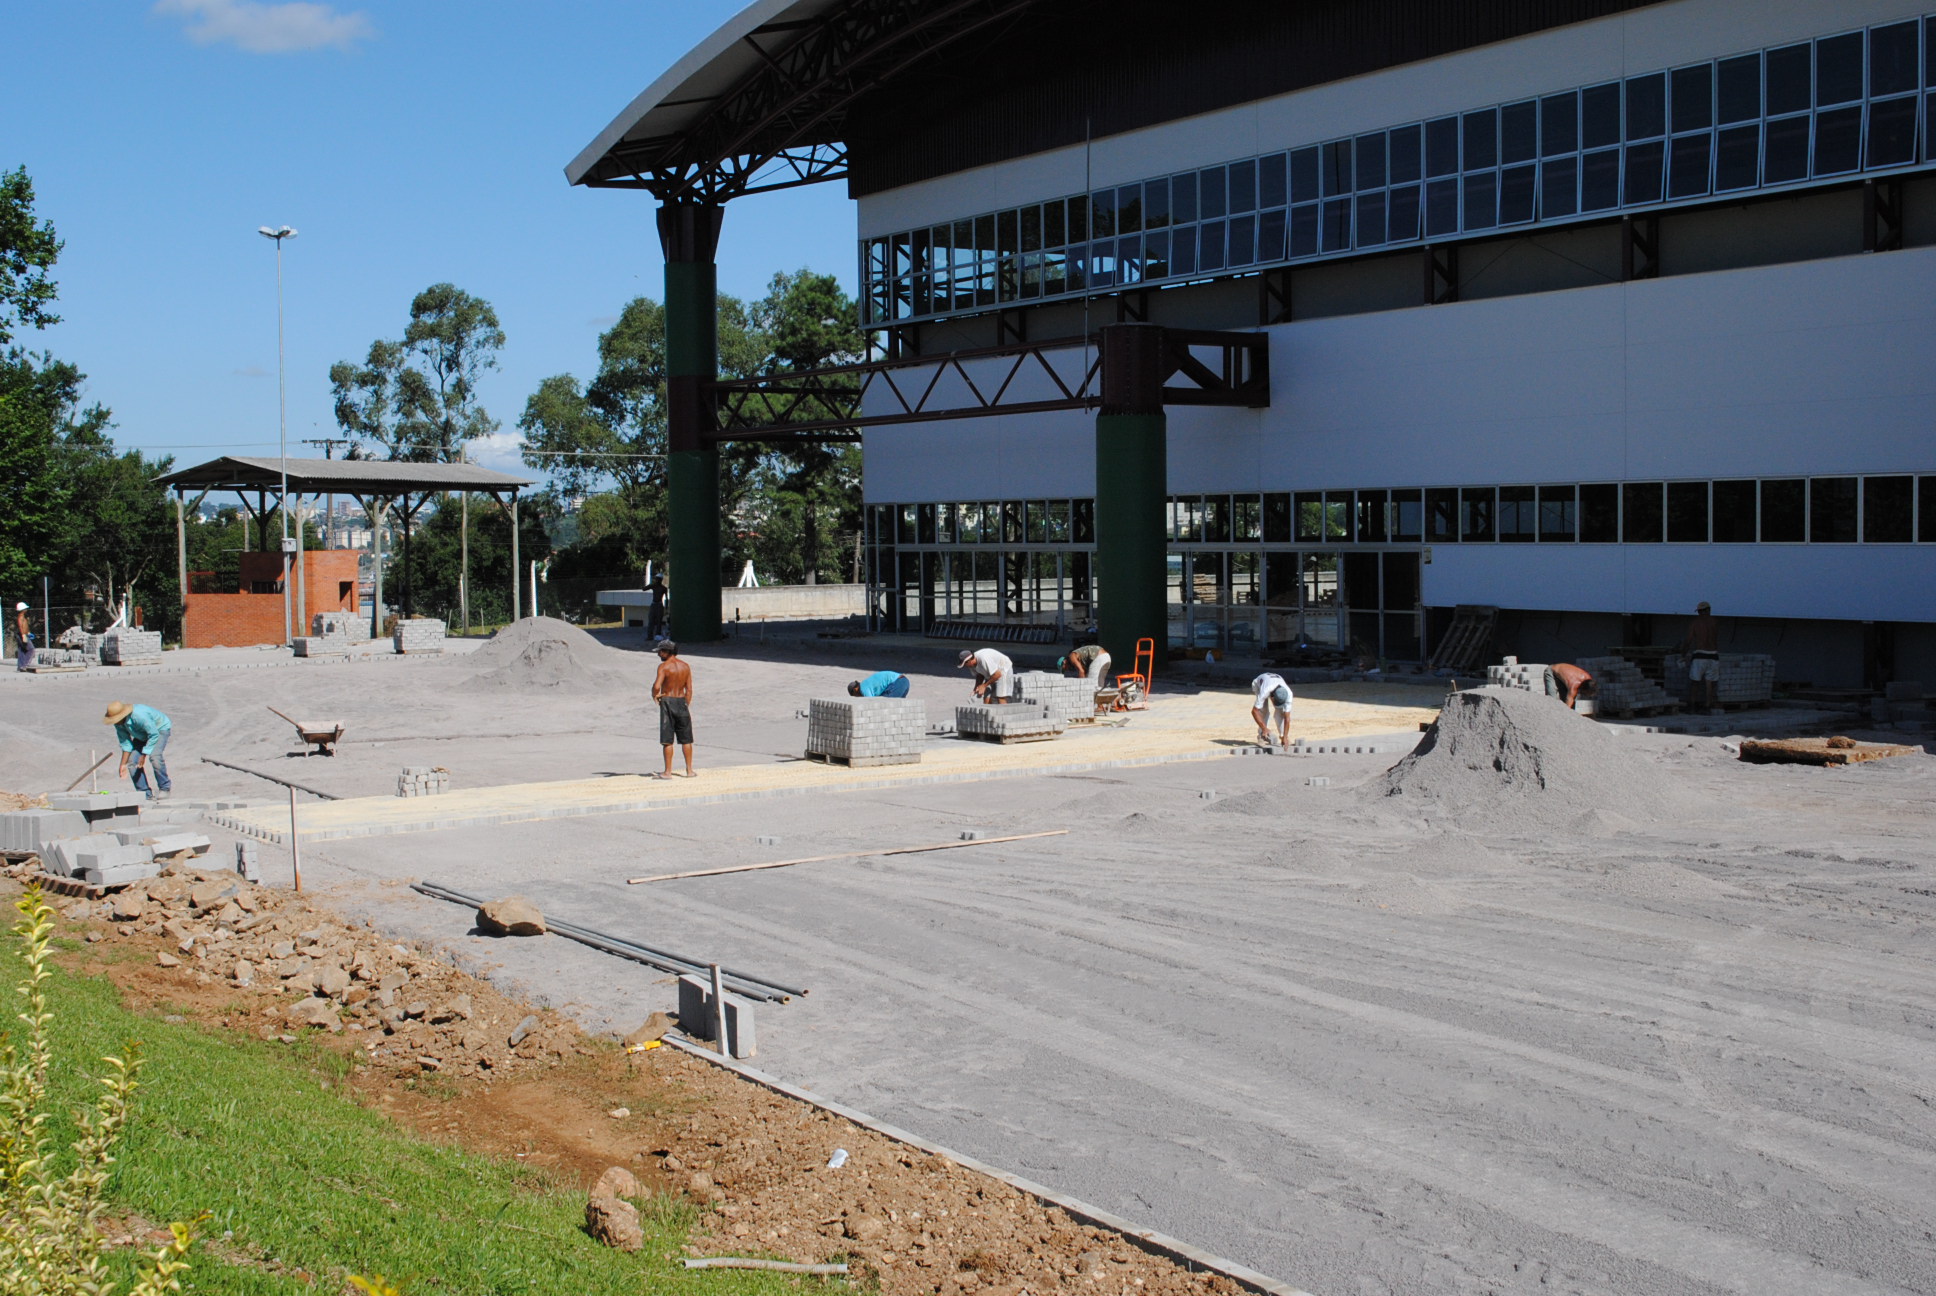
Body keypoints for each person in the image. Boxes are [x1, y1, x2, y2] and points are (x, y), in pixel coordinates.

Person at [105, 700, 172, 801]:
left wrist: (144, 755)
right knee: (132, 763)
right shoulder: (118, 723)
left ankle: (164, 788)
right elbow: (126, 743)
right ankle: (145, 794)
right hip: (141, 735)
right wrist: (123, 764)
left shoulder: (139, 716)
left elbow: (153, 734)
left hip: (159, 729)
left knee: (155, 757)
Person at [651, 640, 696, 778]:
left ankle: (668, 772)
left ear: (667, 652)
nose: (659, 654)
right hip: (682, 701)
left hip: (668, 701)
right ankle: (689, 771)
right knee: (686, 739)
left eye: (661, 651)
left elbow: (657, 686)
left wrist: (655, 695)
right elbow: (689, 689)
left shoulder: (664, 666)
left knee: (667, 739)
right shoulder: (686, 666)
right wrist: (685, 704)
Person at [1679, 600, 1721, 714]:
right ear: (1709, 610)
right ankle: (1707, 706)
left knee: (1695, 682)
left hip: (1700, 655)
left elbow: (1689, 640)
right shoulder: (1715, 622)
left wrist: (1683, 653)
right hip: (1713, 655)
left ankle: (1692, 706)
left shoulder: (1695, 623)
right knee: (1710, 683)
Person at [1250, 671, 1293, 747]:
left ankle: (1282, 736)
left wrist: (1285, 736)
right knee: (1263, 710)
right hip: (1258, 685)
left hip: (1272, 681)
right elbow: (1254, 711)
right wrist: (1264, 728)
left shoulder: (1289, 694)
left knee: (1280, 712)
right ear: (1272, 696)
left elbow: (1287, 718)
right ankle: (1261, 735)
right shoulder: (1265, 691)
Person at [644, 574, 668, 641]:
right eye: (656, 579)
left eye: (658, 579)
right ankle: (650, 636)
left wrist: (666, 608)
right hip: (654, 604)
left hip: (659, 605)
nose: (657, 580)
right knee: (651, 620)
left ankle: (657, 635)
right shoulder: (654, 586)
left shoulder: (663, 588)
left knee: (659, 621)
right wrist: (651, 585)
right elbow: (644, 589)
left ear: (661, 580)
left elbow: (666, 598)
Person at [13, 603, 32, 672]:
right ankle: (24, 666)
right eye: (25, 608)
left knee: (22, 650)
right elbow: (21, 626)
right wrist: (23, 635)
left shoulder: (22, 616)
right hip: (22, 635)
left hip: (23, 634)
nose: (26, 609)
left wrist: (28, 633)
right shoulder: (20, 617)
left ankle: (20, 667)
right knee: (31, 649)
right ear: (22, 610)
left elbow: (24, 626)